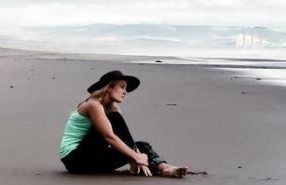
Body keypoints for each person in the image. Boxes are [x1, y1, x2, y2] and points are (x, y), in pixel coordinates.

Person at [60, 69, 190, 177]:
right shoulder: (93, 105)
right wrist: (135, 156)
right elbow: (109, 137)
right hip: (75, 160)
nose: (125, 92)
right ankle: (141, 161)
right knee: (117, 122)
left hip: (91, 161)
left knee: (142, 146)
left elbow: (123, 136)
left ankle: (165, 168)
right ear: (109, 87)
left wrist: (134, 153)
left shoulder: (111, 108)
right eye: (122, 87)